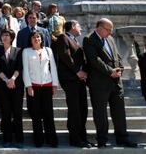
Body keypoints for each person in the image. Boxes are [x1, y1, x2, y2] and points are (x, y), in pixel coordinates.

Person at [83, 18, 137, 148]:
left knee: (119, 112)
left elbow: (117, 56)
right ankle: (102, 140)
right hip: (99, 83)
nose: (110, 32)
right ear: (100, 28)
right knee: (100, 113)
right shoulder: (89, 39)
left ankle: (122, 138)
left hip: (116, 82)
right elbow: (94, 60)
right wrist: (110, 71)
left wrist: (120, 69)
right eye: (108, 29)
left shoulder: (110, 39)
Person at [56, 20, 91, 148]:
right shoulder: (63, 37)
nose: (80, 28)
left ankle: (83, 137)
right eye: (79, 25)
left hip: (79, 80)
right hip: (70, 79)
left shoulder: (76, 40)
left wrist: (84, 73)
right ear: (72, 27)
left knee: (83, 109)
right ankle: (75, 138)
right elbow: (65, 55)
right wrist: (77, 71)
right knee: (75, 110)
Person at [22, 30, 59, 148]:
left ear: (41, 39)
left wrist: (54, 84)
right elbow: (25, 70)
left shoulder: (48, 50)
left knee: (49, 113)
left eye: (38, 37)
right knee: (36, 114)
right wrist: (28, 85)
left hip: (47, 84)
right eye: (33, 37)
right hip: (34, 86)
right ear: (30, 40)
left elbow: (52, 67)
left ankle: (51, 139)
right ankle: (38, 140)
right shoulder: (26, 51)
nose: (36, 39)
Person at [0, 29, 24, 148]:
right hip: (2, 86)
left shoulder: (18, 51)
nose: (5, 37)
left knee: (17, 112)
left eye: (7, 35)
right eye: (3, 35)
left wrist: (12, 79)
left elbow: (19, 66)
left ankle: (19, 139)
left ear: (12, 38)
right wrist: (7, 80)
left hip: (16, 85)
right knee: (5, 113)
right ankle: (7, 139)